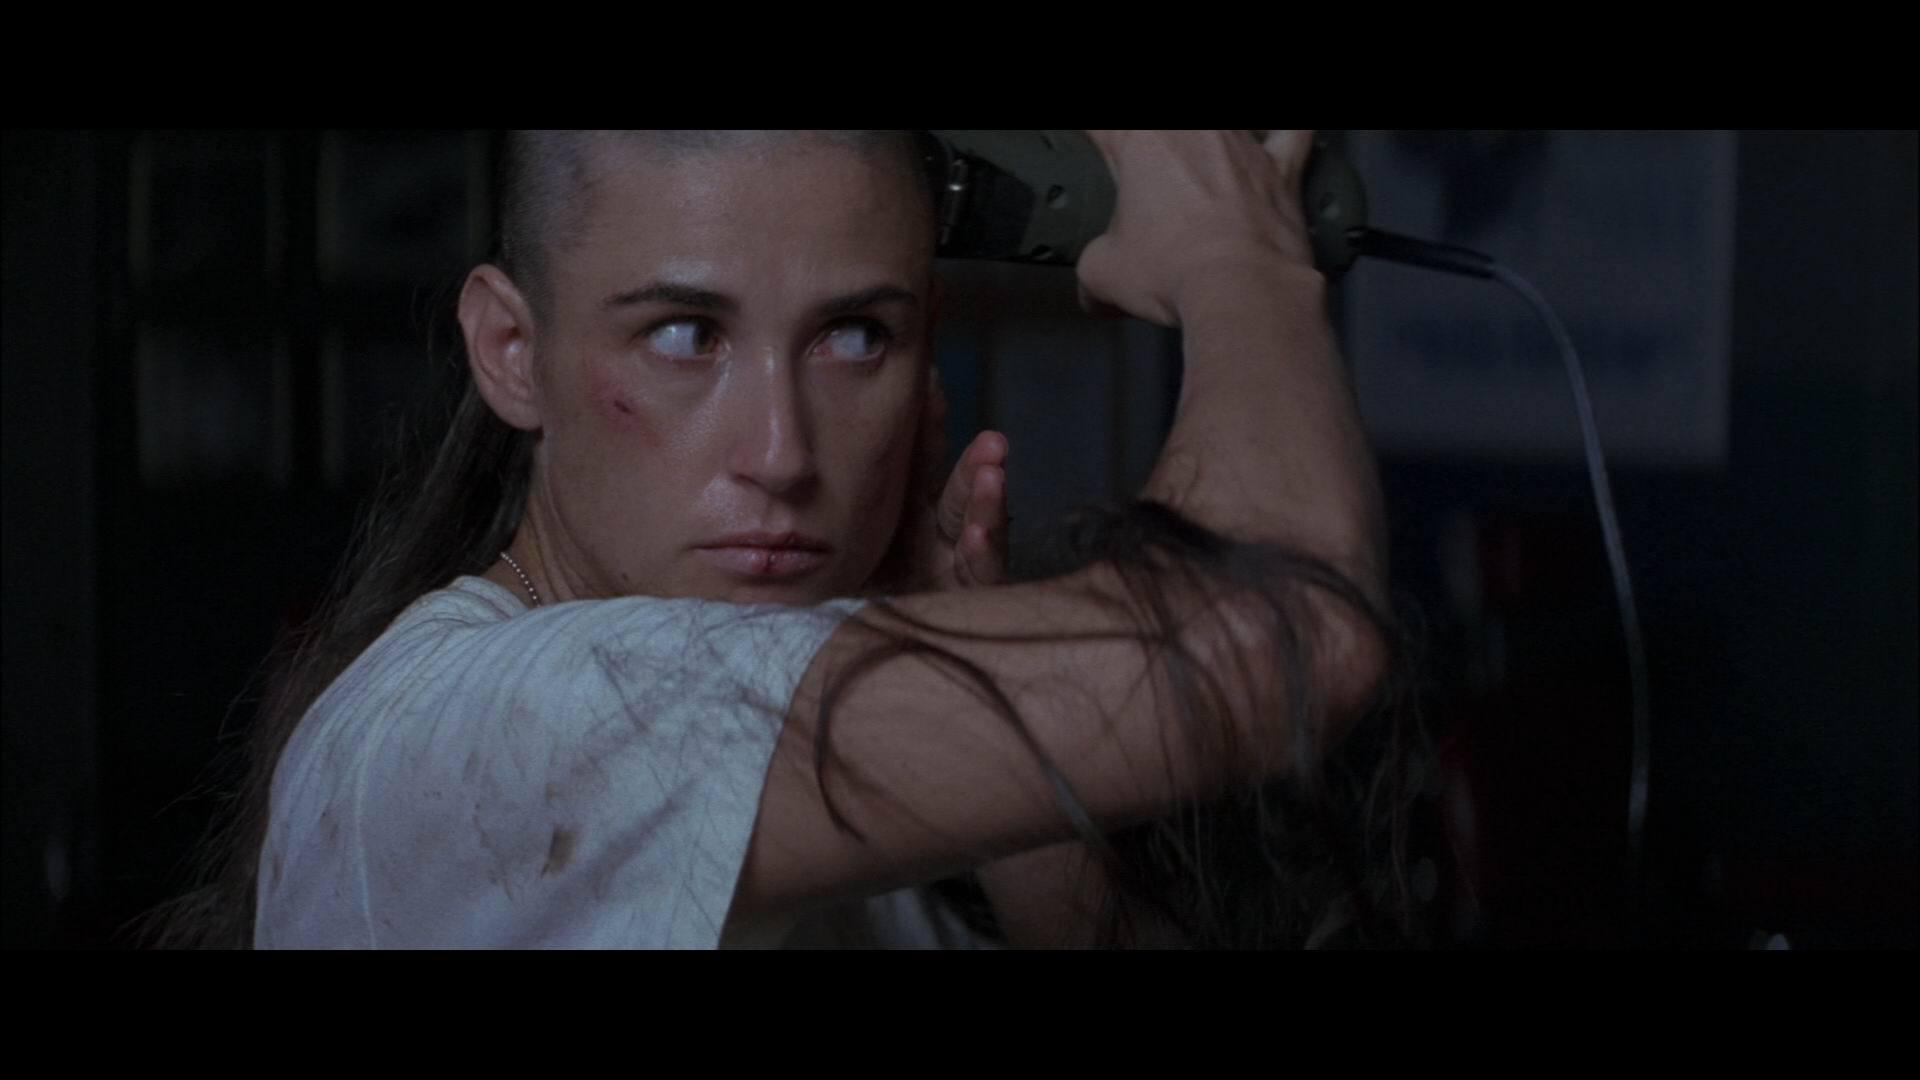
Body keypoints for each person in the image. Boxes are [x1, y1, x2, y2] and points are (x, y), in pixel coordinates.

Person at [155, 129, 1418, 949]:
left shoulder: (801, 754)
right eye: (684, 335)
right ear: (512, 352)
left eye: (854, 337)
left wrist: (961, 682)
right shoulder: (495, 719)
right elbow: (1289, 632)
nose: (783, 451)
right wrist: (1242, 262)